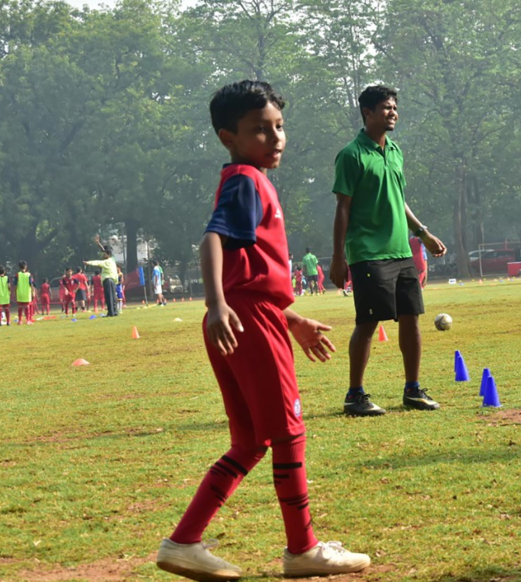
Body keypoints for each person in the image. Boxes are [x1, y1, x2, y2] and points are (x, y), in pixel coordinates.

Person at [156, 79, 369, 581]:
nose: (275, 138)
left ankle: (184, 542)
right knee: (288, 434)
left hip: (248, 317)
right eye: (259, 130)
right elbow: (211, 239)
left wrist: (290, 318)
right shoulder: (246, 181)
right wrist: (215, 303)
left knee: (250, 441)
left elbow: (246, 270)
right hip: (245, 321)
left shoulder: (247, 180)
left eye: (279, 126)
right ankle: (304, 550)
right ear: (227, 136)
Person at [330, 84, 447, 416]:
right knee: (368, 322)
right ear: (367, 112)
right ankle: (355, 395)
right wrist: (339, 256)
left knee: (411, 318)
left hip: (400, 250)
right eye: (385, 108)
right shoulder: (351, 155)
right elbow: (342, 207)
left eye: (394, 107)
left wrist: (422, 233)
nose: (392, 112)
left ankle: (412, 390)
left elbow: (399, 199)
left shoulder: (395, 151)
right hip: (368, 251)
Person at [86, 238, 120, 317]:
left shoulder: (106, 261)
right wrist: (99, 244)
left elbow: (97, 262)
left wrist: (88, 262)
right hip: (112, 281)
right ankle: (114, 312)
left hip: (108, 281)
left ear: (108, 254)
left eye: (104, 254)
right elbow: (104, 251)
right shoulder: (112, 259)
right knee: (113, 297)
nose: (103, 255)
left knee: (109, 297)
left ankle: (110, 313)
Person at [14, 261, 34, 325]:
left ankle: (20, 321)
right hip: (27, 293)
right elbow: (31, 284)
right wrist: (33, 291)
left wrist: (15, 293)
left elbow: (15, 285)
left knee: (20, 308)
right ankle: (28, 320)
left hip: (19, 293)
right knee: (27, 307)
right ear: (26, 266)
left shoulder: (17, 275)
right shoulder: (28, 274)